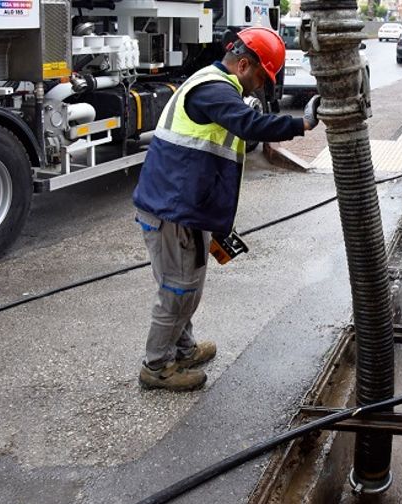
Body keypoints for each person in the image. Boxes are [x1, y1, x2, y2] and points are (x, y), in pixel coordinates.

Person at [132, 27, 321, 391]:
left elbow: (235, 142)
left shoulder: (217, 86)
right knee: (178, 290)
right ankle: (155, 367)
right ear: (244, 64)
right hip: (173, 210)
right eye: (262, 78)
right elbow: (249, 125)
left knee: (186, 287)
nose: (261, 87)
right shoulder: (214, 90)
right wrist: (304, 123)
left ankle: (182, 350)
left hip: (186, 207)